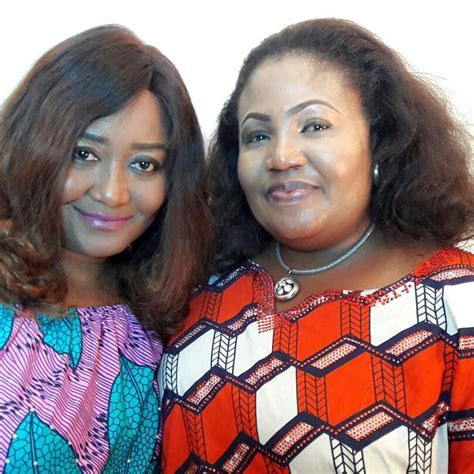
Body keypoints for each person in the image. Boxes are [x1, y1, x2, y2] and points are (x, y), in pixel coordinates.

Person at [160, 18, 474, 473]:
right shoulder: (202, 286)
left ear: (379, 141)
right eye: (258, 135)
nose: (281, 156)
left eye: (314, 125)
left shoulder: (457, 303)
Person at [0, 25, 212, 471]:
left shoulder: (169, 316)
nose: (113, 193)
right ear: (33, 147)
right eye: (84, 154)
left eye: (144, 164)